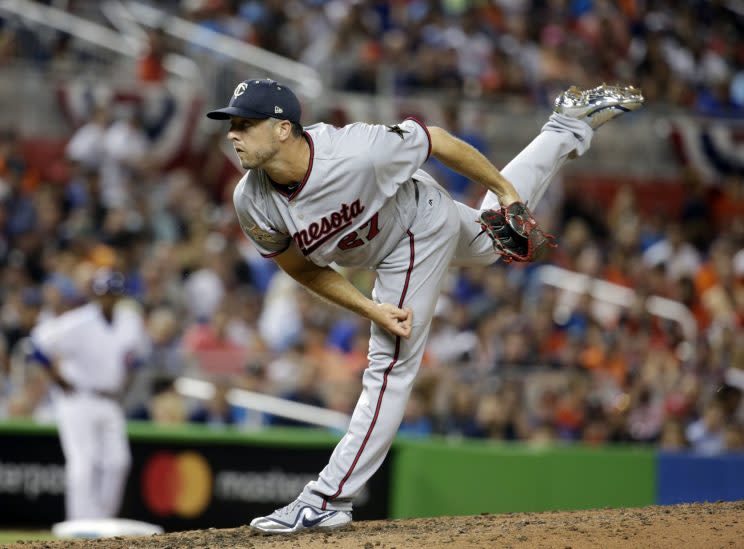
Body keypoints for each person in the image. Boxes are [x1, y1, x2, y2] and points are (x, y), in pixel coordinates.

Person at [206, 78, 643, 533]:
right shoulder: (251, 200)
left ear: (282, 129)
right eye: (231, 124)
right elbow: (303, 269)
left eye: (245, 123)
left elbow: (438, 141)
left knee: (390, 365)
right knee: (493, 243)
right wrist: (369, 308)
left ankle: (326, 499)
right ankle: (566, 127)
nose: (233, 133)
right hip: (397, 234)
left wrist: (503, 188)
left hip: (414, 228)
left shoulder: (358, 151)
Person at [28, 269, 147, 520]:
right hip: (78, 399)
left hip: (111, 399)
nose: (108, 298)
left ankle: (102, 524)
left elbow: (135, 357)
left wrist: (125, 383)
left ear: (120, 295)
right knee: (83, 464)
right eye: (104, 293)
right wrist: (58, 380)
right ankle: (79, 528)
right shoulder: (78, 321)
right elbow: (36, 345)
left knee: (118, 462)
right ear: (95, 294)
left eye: (113, 293)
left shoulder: (130, 320)